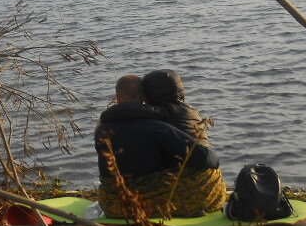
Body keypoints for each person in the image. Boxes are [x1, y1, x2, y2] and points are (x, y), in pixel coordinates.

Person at [94, 74, 224, 218]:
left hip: (112, 205)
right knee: (211, 172)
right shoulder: (158, 128)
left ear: (117, 98)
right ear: (144, 98)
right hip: (140, 203)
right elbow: (206, 159)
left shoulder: (101, 129)